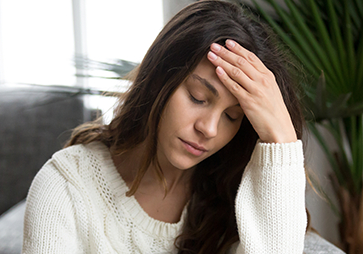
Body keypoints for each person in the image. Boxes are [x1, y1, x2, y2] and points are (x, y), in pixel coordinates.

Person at [22, 0, 308, 253]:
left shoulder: (234, 195)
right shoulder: (66, 187)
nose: (208, 129)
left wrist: (281, 138)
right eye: (198, 98)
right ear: (158, 79)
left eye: (231, 117)